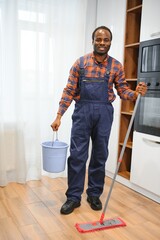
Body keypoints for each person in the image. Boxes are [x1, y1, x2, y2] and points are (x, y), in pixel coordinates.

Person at [51, 26, 147, 215]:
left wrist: (135, 93)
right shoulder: (80, 63)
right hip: (82, 112)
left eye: (106, 40)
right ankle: (73, 197)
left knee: (100, 155)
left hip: (104, 113)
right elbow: (69, 91)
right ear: (93, 40)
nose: (102, 43)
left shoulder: (116, 66)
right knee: (77, 155)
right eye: (98, 39)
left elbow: (122, 90)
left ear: (110, 42)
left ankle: (94, 194)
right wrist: (59, 115)